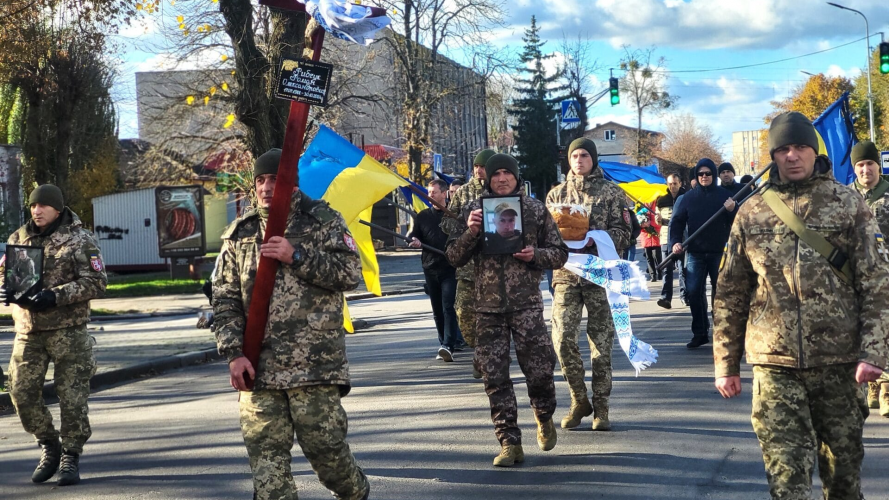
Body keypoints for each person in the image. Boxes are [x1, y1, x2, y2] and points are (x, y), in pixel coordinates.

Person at [713, 111, 889, 500]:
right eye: (784, 149)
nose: (793, 156)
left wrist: (874, 351)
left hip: (839, 364)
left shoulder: (847, 205)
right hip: (774, 365)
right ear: (773, 156)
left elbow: (877, 282)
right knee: (786, 481)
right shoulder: (751, 211)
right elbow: (730, 291)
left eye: (801, 147)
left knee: (843, 481)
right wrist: (725, 363)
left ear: (815, 150)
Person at [213, 149, 370, 500]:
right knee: (269, 473)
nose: (266, 187)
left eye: (274, 179)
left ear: (291, 183)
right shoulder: (240, 233)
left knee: (330, 460)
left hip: (313, 368)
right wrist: (234, 354)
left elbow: (349, 274)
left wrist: (296, 255)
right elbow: (224, 301)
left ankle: (357, 492)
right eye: (260, 181)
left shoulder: (322, 220)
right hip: (260, 370)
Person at [447, 153, 568, 467]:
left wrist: (536, 255)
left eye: (507, 174)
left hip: (526, 306)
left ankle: (544, 416)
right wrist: (470, 232)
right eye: (496, 174)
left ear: (517, 177)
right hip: (486, 308)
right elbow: (453, 257)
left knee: (540, 371)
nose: (502, 179)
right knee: (495, 378)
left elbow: (560, 254)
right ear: (487, 178)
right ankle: (509, 443)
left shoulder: (534, 210)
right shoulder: (472, 211)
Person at [1, 184, 106, 486]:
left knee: (72, 397)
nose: (36, 211)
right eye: (33, 206)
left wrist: (55, 296)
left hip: (68, 331)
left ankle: (71, 455)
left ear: (57, 209)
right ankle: (49, 444)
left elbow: (97, 281)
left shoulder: (79, 239)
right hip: (28, 331)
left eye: (43, 206)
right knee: (20, 391)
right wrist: (8, 288)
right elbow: (7, 273)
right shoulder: (19, 238)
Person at [545, 138, 632, 431]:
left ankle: (602, 409)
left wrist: (599, 237)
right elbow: (546, 237)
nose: (579, 160)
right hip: (566, 275)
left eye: (584, 155)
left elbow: (626, 232)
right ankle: (579, 399)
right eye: (575, 155)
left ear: (593, 159)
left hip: (600, 275)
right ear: (568, 160)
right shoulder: (555, 195)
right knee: (561, 340)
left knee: (601, 345)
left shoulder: (612, 193)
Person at [670, 158, 737, 349]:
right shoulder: (688, 198)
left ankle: (723, 333)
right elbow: (677, 222)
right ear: (696, 176)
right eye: (701, 174)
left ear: (713, 176)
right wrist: (675, 242)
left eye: (708, 174)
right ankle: (700, 332)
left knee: (722, 294)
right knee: (693, 292)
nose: (704, 177)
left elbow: (738, 222)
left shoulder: (725, 196)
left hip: (719, 253)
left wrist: (733, 210)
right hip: (695, 254)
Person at [442, 149, 496, 379]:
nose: (478, 170)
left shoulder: (501, 189)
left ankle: (491, 356)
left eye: (483, 166)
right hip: (468, 266)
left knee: (494, 318)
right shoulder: (463, 193)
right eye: (476, 166)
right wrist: (464, 225)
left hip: (495, 266)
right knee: (463, 313)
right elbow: (446, 223)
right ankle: (479, 352)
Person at [851, 140, 889, 418]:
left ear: (878, 165)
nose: (866, 169)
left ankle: (887, 388)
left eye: (870, 164)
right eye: (861, 165)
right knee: (861, 332)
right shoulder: (844, 197)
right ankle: (872, 386)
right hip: (855, 278)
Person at [408, 179, 461, 362]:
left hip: (450, 268)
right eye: (428, 192)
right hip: (430, 267)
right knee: (436, 309)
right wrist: (414, 241)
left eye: (434, 192)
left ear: (444, 193)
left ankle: (449, 344)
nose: (430, 196)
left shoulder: (453, 215)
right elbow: (414, 235)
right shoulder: (422, 216)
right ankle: (442, 343)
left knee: (448, 306)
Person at [655, 173, 687, 308]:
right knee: (667, 270)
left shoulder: (686, 198)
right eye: (670, 184)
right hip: (665, 239)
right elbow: (658, 218)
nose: (672, 186)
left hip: (682, 239)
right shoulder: (661, 199)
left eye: (675, 183)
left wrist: (668, 221)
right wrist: (658, 220)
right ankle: (665, 298)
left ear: (680, 183)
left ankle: (685, 296)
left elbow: (685, 220)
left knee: (683, 269)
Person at [640, 210, 662, 282]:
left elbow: (660, 222)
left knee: (657, 256)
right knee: (649, 258)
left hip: (656, 237)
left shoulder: (656, 207)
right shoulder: (641, 207)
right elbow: (637, 223)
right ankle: (652, 275)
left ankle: (660, 273)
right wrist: (642, 224)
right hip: (646, 238)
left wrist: (650, 223)